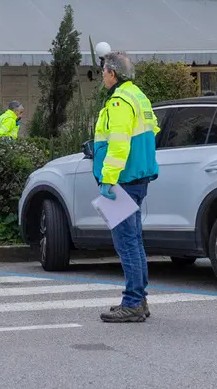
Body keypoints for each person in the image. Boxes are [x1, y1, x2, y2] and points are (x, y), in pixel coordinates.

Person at [91, 51, 159, 323]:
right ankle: (139, 299)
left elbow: (119, 144)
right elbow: (152, 132)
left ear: (112, 73)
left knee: (126, 242)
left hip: (123, 179)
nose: (102, 77)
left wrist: (108, 178)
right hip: (138, 176)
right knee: (135, 240)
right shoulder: (139, 96)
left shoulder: (119, 101)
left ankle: (132, 302)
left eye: (104, 73)